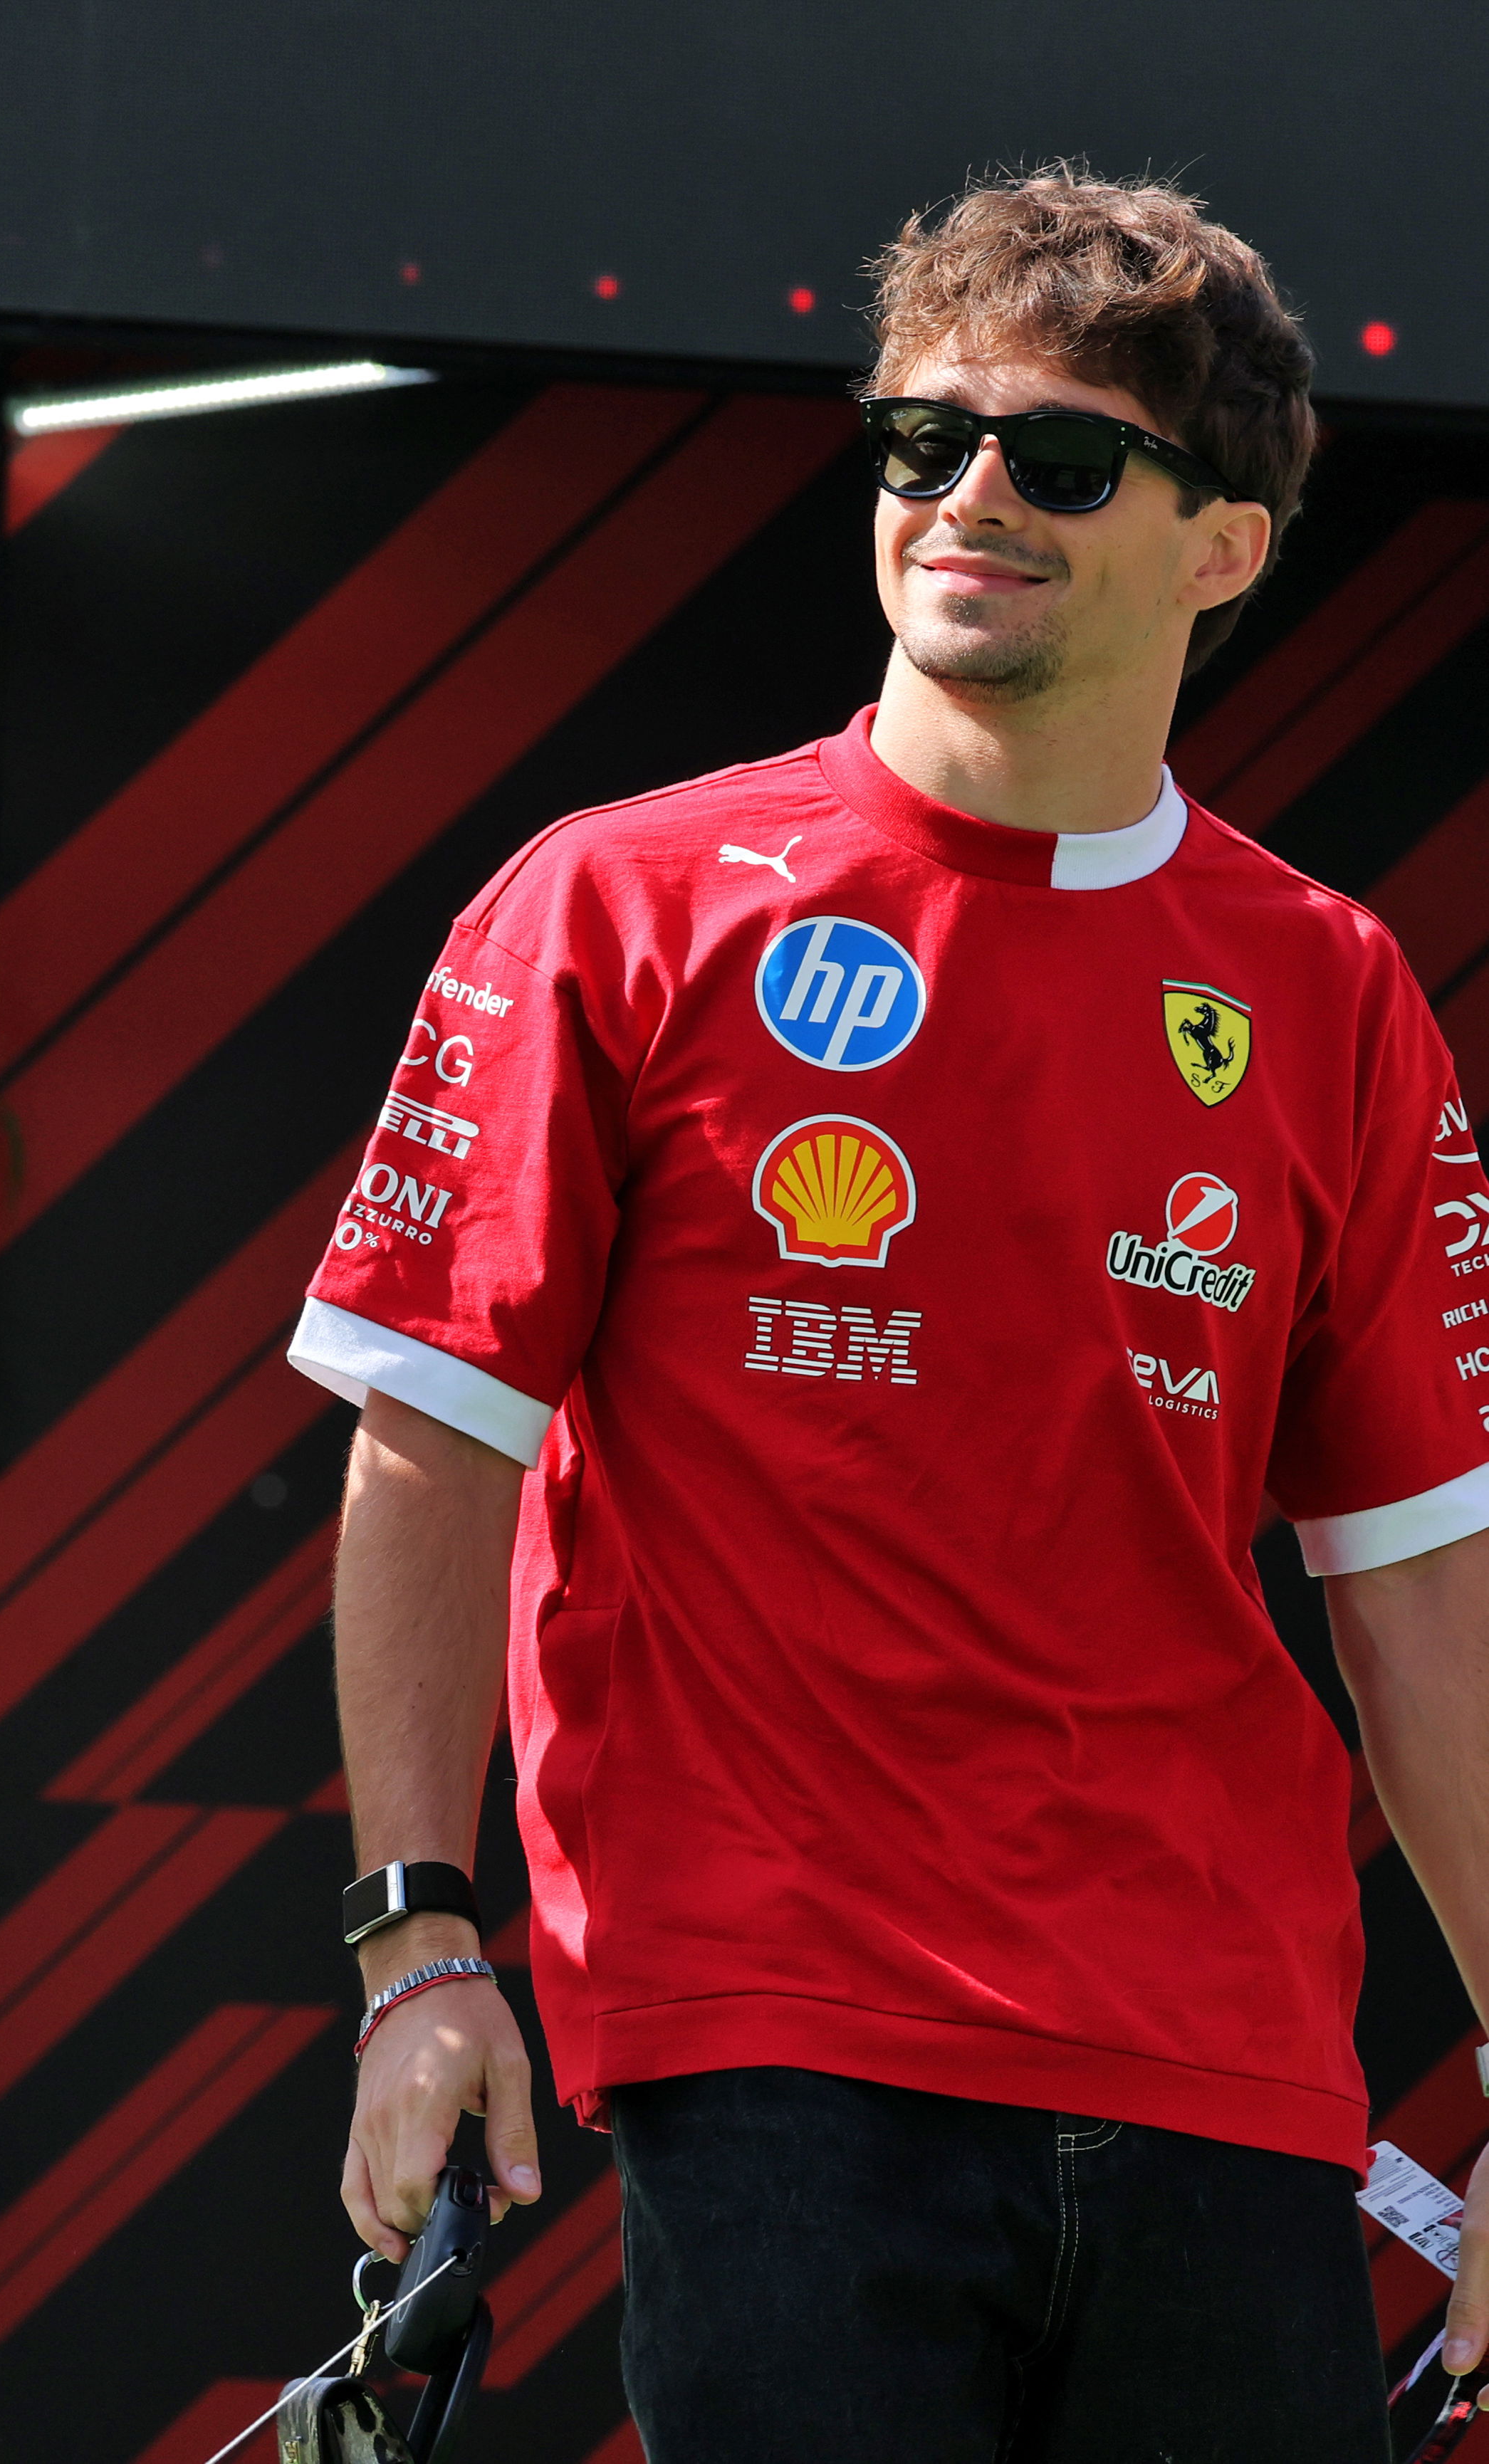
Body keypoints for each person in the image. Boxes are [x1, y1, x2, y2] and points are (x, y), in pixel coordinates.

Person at [292, 169, 1489, 2458]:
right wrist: (419, 1950)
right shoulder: (613, 902)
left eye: (1059, 459)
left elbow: (1422, 1576)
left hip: (1223, 2060)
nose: (967, 500)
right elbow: (429, 1446)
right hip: (776, 2039)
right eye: (919, 439)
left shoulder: (1330, 988)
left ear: (1220, 542)